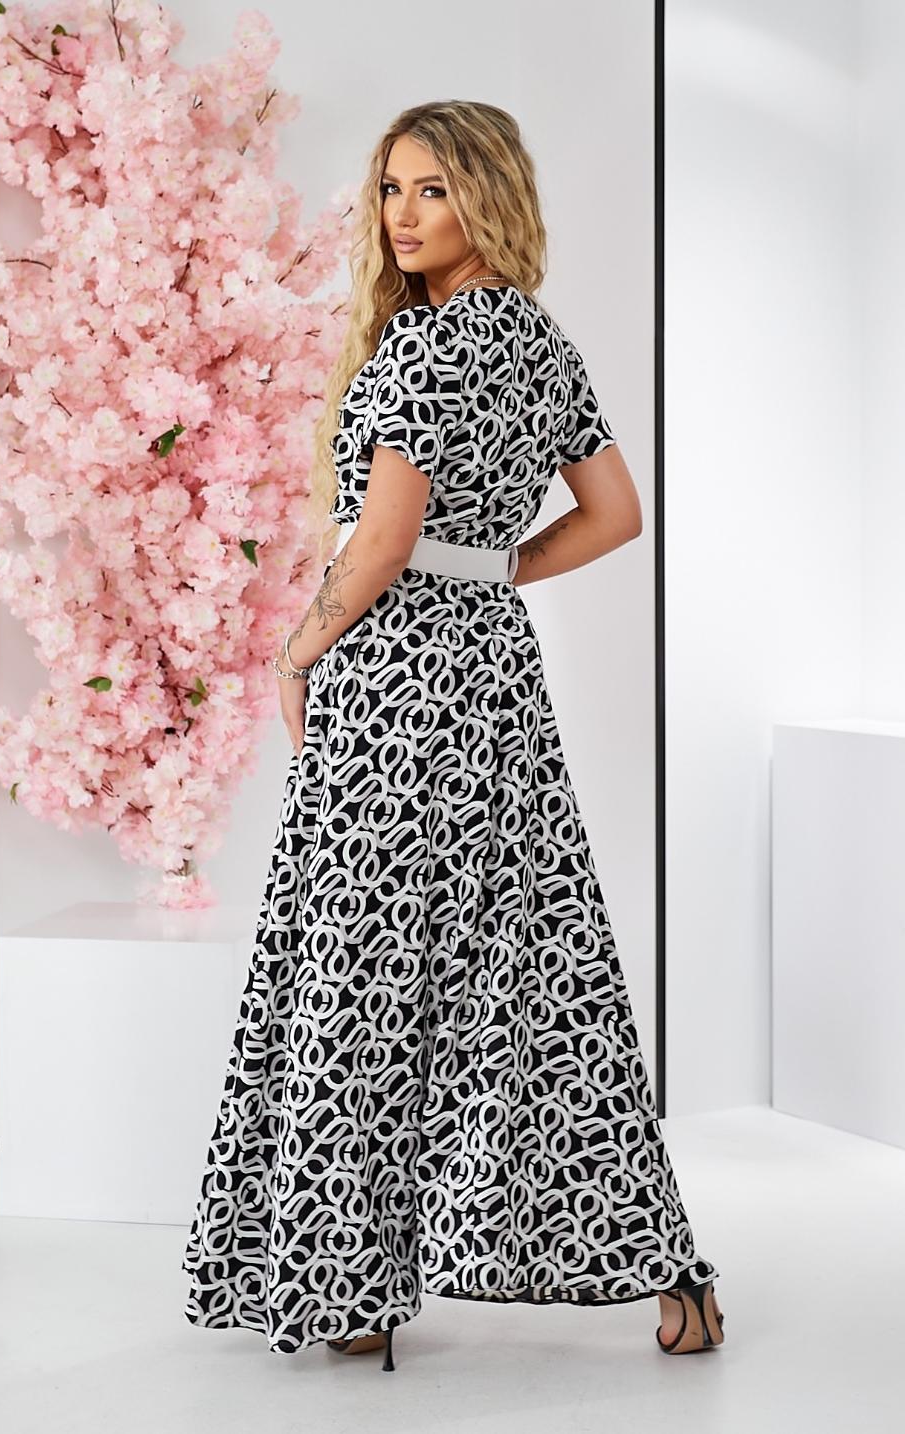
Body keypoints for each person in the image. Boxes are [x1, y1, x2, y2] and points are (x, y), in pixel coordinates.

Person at [181, 100, 724, 1372]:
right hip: (491, 680)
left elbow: (379, 540)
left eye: (431, 189)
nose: (403, 215)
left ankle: (349, 1284)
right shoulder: (537, 338)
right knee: (544, 970)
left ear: (486, 194)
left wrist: (297, 647)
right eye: (390, 190)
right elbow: (615, 513)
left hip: (392, 686)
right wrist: (492, 572)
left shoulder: (422, 347)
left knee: (361, 962)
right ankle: (675, 1282)